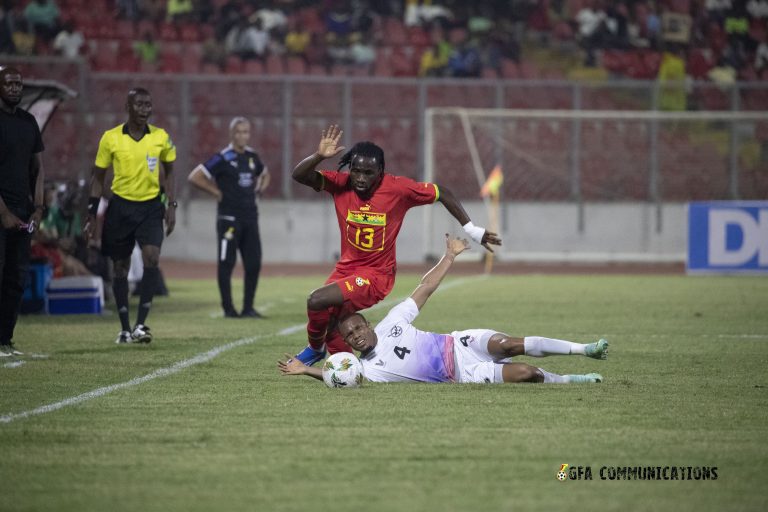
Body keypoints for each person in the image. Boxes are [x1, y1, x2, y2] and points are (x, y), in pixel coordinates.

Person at [291, 125, 502, 366]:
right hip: (346, 269)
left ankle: (316, 350)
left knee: (316, 300)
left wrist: (472, 229)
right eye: (356, 171)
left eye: (368, 173)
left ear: (380, 171)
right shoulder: (341, 183)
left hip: (376, 276)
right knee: (330, 320)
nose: (360, 178)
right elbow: (299, 176)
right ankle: (350, 367)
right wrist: (318, 156)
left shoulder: (398, 189)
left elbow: (442, 192)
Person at [279, 235, 607, 384]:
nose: (356, 337)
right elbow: (340, 375)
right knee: (528, 374)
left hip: (461, 343)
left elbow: (425, 288)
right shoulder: (369, 371)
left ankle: (584, 349)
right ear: (348, 343)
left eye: (358, 328)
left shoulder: (393, 321)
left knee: (510, 344)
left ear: (368, 324)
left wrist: (449, 256)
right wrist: (305, 370)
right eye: (349, 336)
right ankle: (568, 380)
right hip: (462, 374)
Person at [84, 87, 177, 344]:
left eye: (149, 105)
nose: (145, 109)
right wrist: (92, 213)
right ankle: (124, 327)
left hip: (150, 207)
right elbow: (98, 178)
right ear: (128, 106)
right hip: (120, 207)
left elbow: (169, 172)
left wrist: (171, 205)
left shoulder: (161, 137)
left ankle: (141, 325)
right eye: (139, 105)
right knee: (121, 266)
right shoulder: (111, 138)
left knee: (152, 257)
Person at [187, 116, 270, 318]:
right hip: (229, 219)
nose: (243, 136)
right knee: (227, 263)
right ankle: (228, 308)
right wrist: (215, 192)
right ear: (232, 134)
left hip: (250, 218)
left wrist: (260, 188)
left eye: (246, 132)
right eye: (239, 132)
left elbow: (265, 173)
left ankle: (248, 307)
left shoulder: (252, 156)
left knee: (254, 263)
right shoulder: (222, 158)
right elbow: (195, 176)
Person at [0, 66, 45, 357]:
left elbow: (38, 169)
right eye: (9, 83)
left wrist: (38, 207)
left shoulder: (29, 122)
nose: (15, 88)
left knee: (17, 277)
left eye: (19, 84)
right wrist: (2, 211)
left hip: (22, 209)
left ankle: (5, 339)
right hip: (2, 208)